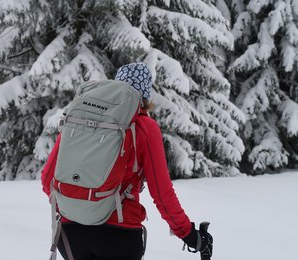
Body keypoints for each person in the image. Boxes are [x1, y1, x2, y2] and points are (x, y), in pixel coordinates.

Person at [41, 63, 213, 260]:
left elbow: (48, 180)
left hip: (70, 235)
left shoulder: (83, 119)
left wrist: (78, 206)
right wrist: (190, 235)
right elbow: (162, 194)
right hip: (119, 235)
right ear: (145, 95)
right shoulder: (144, 126)